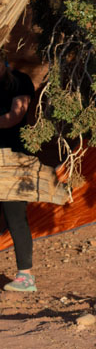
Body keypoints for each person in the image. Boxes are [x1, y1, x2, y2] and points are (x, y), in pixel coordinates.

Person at [0, 56, 36, 292]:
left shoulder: (20, 81)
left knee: (15, 215)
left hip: (13, 158)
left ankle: (26, 276)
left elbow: (14, 117)